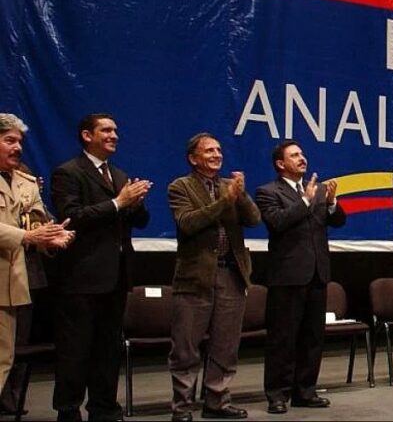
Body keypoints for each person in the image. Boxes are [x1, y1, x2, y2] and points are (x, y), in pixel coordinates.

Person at [50, 113, 152, 421]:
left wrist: (135, 204)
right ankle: (68, 411)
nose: (114, 135)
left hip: (116, 277)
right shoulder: (68, 173)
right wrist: (119, 203)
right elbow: (72, 217)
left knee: (109, 350)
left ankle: (104, 408)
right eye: (106, 130)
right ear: (86, 135)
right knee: (75, 349)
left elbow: (141, 222)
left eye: (116, 131)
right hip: (81, 276)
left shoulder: (119, 175)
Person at [166, 133, 261, 421]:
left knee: (225, 344)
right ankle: (182, 407)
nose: (217, 154)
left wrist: (240, 195)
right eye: (209, 151)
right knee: (186, 346)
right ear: (193, 158)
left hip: (231, 273)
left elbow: (254, 219)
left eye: (219, 150)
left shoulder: (228, 186)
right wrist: (224, 202)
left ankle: (216, 401)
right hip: (195, 277)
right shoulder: (180, 187)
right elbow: (188, 222)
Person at [255, 140, 345, 415]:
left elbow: (338, 221)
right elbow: (278, 222)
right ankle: (277, 394)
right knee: (283, 338)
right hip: (287, 275)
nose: (302, 158)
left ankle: (305, 390)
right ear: (281, 164)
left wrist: (330, 204)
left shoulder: (317, 191)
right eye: (294, 155)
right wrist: (305, 200)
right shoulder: (268, 192)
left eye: (302, 154)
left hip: (318, 273)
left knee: (312, 337)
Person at [0, 115, 73, 392]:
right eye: (9, 140)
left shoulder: (25, 183)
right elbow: (25, 233)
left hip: (11, 286)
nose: (18, 147)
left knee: (4, 359)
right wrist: (26, 237)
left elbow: (39, 221)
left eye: (20, 141)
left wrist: (52, 237)